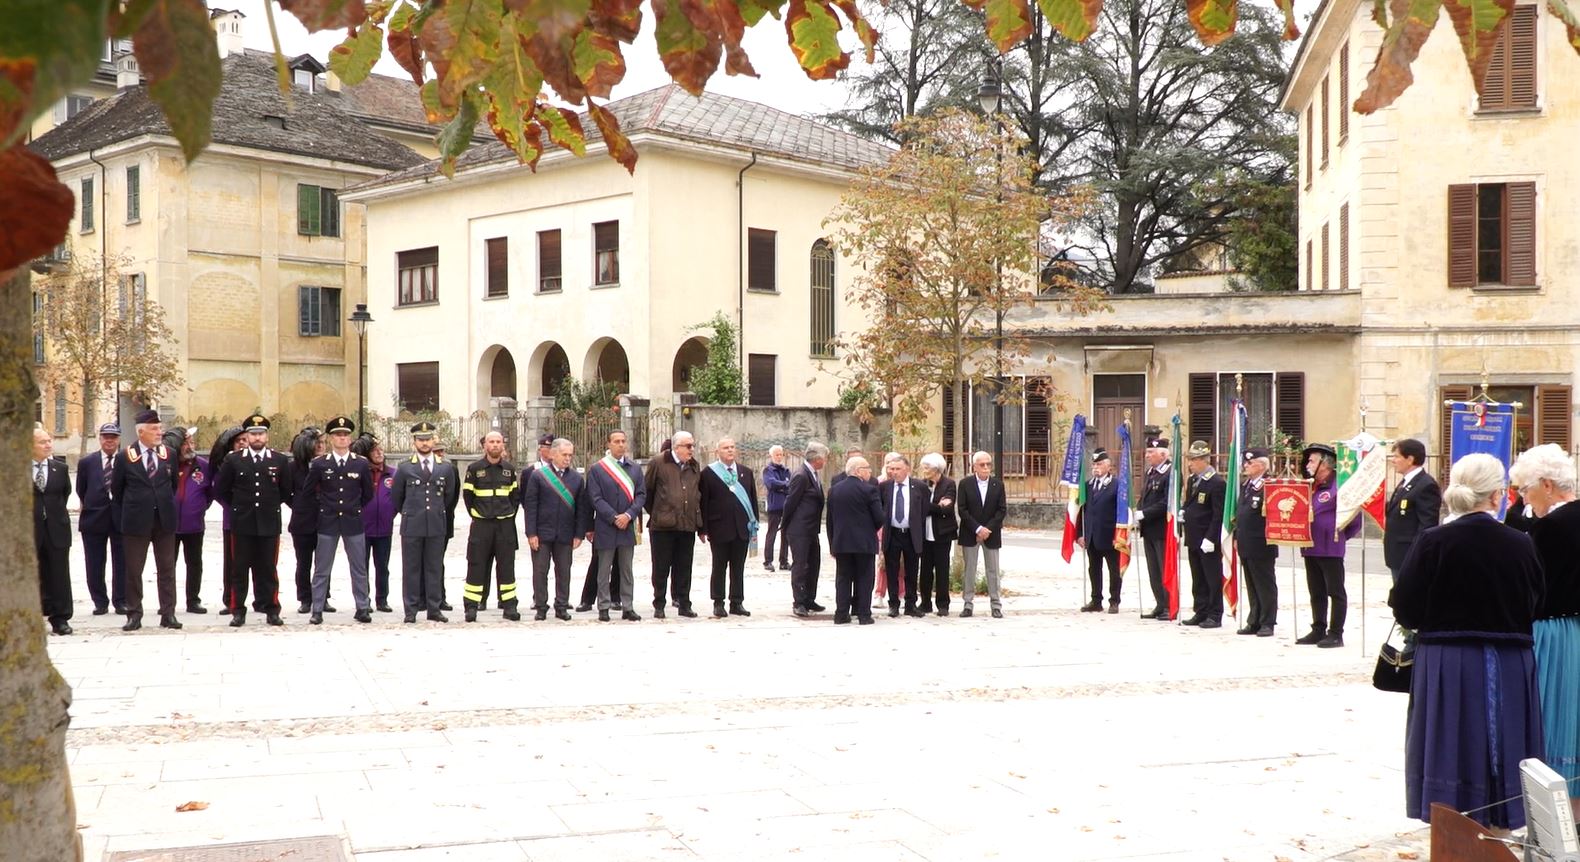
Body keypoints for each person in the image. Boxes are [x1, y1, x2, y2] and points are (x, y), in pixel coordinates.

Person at [1390, 452, 1545, 831]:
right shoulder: (1520, 543)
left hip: (1447, 657)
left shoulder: (1434, 541)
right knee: (1505, 736)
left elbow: (1405, 606)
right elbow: (1537, 600)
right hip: (1509, 658)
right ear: (1496, 496)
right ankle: (1501, 819)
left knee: (1450, 737)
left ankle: (1451, 820)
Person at [1510, 444, 1580, 788]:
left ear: (1547, 485)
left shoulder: (1551, 526)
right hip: (1575, 627)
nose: (1524, 499)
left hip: (1552, 630)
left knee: (1551, 718)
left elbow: (1532, 587)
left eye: (1526, 489)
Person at [213, 414, 293, 627]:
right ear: (246, 436)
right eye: (253, 434)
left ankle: (272, 609)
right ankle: (237, 610)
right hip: (242, 523)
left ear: (266, 436)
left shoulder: (279, 460)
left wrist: (270, 505)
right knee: (239, 569)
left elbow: (285, 491)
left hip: (268, 523)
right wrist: (237, 507)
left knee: (268, 568)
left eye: (261, 433)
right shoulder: (234, 459)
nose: (257, 437)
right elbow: (221, 489)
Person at [113, 409, 182, 631]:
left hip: (164, 520)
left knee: (167, 569)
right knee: (134, 570)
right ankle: (134, 614)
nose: (159, 432)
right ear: (141, 432)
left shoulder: (169, 454)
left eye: (160, 428)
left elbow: (173, 485)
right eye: (154, 429)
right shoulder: (125, 456)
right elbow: (118, 491)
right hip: (136, 521)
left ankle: (168, 613)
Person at [303, 416, 375, 626]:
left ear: (350, 438)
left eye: (345, 435)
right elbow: (308, 492)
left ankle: (362, 607)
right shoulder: (320, 463)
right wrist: (324, 507)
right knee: (322, 568)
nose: (342, 438)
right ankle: (317, 609)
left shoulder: (360, 463)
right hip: (328, 521)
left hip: (353, 521)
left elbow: (368, 493)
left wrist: (354, 507)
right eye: (337, 435)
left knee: (359, 567)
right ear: (331, 438)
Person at [390, 422, 458, 623]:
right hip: (412, 525)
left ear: (433, 440)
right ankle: (410, 610)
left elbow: (449, 496)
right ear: (414, 442)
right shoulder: (404, 468)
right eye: (421, 439)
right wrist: (410, 513)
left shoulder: (445, 467)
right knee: (411, 568)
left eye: (428, 439)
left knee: (434, 567)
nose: (425, 443)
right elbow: (397, 497)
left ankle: (434, 608)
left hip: (436, 524)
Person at [1298, 443, 1361, 648]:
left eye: (1312, 461)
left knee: (1335, 591)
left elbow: (1354, 520)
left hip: (1330, 547)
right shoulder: (1309, 486)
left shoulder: (1339, 486)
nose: (1308, 464)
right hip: (1310, 546)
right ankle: (1318, 628)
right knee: (1316, 591)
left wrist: (1337, 536)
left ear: (1325, 464)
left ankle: (1336, 633)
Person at [524, 438, 588, 621]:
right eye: (564, 454)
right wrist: (531, 533)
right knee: (540, 571)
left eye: (570, 455)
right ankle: (541, 607)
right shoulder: (538, 476)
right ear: (553, 454)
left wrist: (578, 534)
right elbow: (531, 506)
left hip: (566, 534)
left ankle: (561, 606)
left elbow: (581, 509)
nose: (567, 458)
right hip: (542, 533)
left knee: (564, 571)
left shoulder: (576, 478)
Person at [462, 430, 522, 622]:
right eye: (491, 442)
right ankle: (471, 606)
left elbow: (515, 497)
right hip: (482, 525)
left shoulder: (510, 470)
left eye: (498, 442)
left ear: (503, 445)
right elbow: (468, 497)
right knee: (476, 564)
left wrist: (508, 513)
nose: (495, 445)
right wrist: (478, 515)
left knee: (506, 566)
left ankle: (509, 605)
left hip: (505, 526)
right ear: (485, 446)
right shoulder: (474, 468)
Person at [587, 429, 646, 621]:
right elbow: (595, 498)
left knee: (626, 569)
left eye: (623, 441)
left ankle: (627, 606)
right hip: (606, 526)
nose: (621, 444)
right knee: (604, 569)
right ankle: (603, 606)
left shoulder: (635, 468)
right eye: (616, 441)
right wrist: (614, 517)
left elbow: (641, 495)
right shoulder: (597, 469)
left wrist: (628, 515)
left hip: (627, 526)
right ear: (608, 444)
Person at [644, 430, 703, 618]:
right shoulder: (659, 462)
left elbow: (696, 491)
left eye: (692, 445)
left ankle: (684, 603)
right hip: (663, 525)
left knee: (684, 566)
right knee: (661, 566)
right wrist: (660, 512)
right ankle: (659, 604)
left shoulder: (694, 465)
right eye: (688, 446)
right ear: (676, 447)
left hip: (687, 524)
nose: (691, 449)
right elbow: (648, 491)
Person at [699, 436, 758, 618]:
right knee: (719, 566)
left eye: (732, 447)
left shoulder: (745, 472)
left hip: (742, 528)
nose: (730, 450)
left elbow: (752, 500)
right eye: (726, 448)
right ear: (718, 452)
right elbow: (704, 503)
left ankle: (737, 602)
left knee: (738, 567)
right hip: (719, 528)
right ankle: (718, 602)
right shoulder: (709, 473)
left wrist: (753, 524)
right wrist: (703, 528)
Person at [827, 456, 885, 625]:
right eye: (867, 468)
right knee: (865, 578)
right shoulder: (869, 490)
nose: (870, 472)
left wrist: (833, 543)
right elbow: (879, 517)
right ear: (858, 470)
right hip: (864, 542)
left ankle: (841, 613)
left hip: (842, 542)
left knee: (843, 578)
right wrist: (869, 529)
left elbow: (830, 520)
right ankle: (863, 614)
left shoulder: (834, 490)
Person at [76, 422, 125, 615]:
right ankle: (100, 601)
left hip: (120, 518)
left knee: (122, 562)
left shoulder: (125, 460)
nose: (109, 440)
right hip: (94, 519)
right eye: (106, 437)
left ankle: (120, 600)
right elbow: (81, 489)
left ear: (118, 439)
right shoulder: (87, 462)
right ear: (100, 439)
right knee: (94, 563)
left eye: (113, 437)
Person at [1383, 438, 1442, 583]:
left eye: (1397, 456)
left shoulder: (1426, 485)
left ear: (1410, 459)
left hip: (1409, 555)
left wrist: (1417, 555)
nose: (1393, 461)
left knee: (1408, 601)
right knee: (1399, 598)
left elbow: (1427, 525)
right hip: (1397, 554)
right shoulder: (1406, 481)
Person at [1181, 441, 1225, 629]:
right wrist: (1184, 510)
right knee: (1198, 577)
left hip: (1208, 539)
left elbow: (1218, 514)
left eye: (1193, 460)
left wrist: (1211, 538)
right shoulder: (1193, 479)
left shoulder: (1216, 482)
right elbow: (1191, 502)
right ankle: (1201, 611)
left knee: (1212, 578)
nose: (1190, 463)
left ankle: (1215, 614)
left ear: (1203, 460)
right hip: (1193, 537)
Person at [1234, 448, 1278, 637]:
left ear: (1261, 465)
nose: (1246, 466)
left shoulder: (1269, 486)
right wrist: (1236, 537)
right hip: (1245, 542)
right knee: (1251, 584)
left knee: (1265, 584)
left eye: (1249, 463)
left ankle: (1267, 621)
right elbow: (1240, 514)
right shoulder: (1247, 485)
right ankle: (1254, 620)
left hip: (1262, 544)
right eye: (1246, 462)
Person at [33, 428, 73, 635]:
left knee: (59, 575)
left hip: (57, 530)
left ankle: (61, 619)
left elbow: (65, 494)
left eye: (49, 441)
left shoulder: (60, 468)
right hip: (31, 532)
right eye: (42, 442)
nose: (48, 445)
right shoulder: (15, 469)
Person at [958, 450, 1007, 619]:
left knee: (993, 570)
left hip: (991, 534)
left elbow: (1001, 510)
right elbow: (962, 510)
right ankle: (968, 604)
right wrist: (977, 529)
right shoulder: (965, 484)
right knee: (969, 569)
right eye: (982, 465)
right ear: (974, 467)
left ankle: (996, 605)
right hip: (970, 533)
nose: (986, 468)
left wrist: (987, 529)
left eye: (988, 464)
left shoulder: (998, 485)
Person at [879, 454, 929, 619]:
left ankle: (910, 604)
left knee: (912, 570)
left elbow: (924, 509)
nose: (894, 472)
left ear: (907, 469)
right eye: (891, 469)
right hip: (892, 534)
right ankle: (893, 604)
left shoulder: (919, 486)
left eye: (898, 469)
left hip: (911, 534)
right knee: (892, 571)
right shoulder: (885, 487)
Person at [784, 441, 829, 617]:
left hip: (811, 529)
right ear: (817, 459)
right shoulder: (801, 475)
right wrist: (786, 525)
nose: (825, 461)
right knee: (800, 566)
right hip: (799, 529)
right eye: (824, 458)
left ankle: (810, 598)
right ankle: (799, 601)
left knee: (814, 564)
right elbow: (791, 502)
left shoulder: (814, 474)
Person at [169, 427, 211, 615]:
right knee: (168, 565)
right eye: (185, 443)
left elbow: (209, 493)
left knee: (194, 564)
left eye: (191, 442)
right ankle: (168, 602)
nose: (189, 446)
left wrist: (199, 508)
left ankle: (193, 600)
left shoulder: (202, 465)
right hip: (169, 526)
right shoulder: (167, 465)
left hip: (194, 525)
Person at [354, 434, 396, 613]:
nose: (379, 453)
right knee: (361, 567)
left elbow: (398, 498)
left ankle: (382, 600)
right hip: (362, 528)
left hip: (384, 528)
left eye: (381, 449)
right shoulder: (360, 472)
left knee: (383, 567)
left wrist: (391, 512)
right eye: (374, 450)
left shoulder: (393, 473)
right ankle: (364, 600)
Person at [286, 428, 326, 615]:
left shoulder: (328, 464)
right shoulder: (294, 467)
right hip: (302, 522)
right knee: (303, 563)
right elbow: (286, 492)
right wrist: (299, 504)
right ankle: (305, 598)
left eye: (322, 443)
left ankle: (323, 597)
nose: (320, 446)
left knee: (323, 563)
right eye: (317, 443)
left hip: (325, 519)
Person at [1076, 449, 1122, 614]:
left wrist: (1119, 535)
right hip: (1092, 536)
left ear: (1108, 466)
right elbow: (1082, 511)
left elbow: (1121, 512)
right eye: (1094, 464)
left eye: (1100, 464)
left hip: (1110, 536)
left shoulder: (1117, 485)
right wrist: (1080, 534)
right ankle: (1096, 600)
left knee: (1114, 570)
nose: (1096, 467)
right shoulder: (1087, 486)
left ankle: (1114, 601)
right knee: (1094, 569)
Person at [209, 427, 247, 614]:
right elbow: (218, 489)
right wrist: (233, 505)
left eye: (244, 439)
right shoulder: (225, 464)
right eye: (238, 440)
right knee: (232, 563)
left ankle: (262, 600)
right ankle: (230, 599)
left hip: (256, 519)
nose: (242, 442)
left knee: (259, 562)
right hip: (232, 519)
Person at [1136, 436, 1173, 620]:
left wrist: (1145, 513)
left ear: (1163, 454)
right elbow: (1144, 497)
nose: (1147, 455)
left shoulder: (1170, 473)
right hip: (1149, 529)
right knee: (1153, 569)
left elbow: (1167, 502)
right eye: (1148, 452)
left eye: (1151, 452)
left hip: (1162, 529)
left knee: (1164, 567)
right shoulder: (1151, 472)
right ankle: (1160, 603)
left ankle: (1169, 605)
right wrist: (1137, 510)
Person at [918, 452, 956, 617]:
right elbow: (919, 506)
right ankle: (925, 603)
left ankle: (943, 604)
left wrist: (929, 506)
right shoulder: (922, 484)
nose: (924, 470)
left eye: (927, 467)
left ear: (936, 469)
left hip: (942, 534)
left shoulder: (949, 484)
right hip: (925, 534)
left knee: (942, 570)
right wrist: (936, 506)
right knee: (925, 571)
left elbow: (946, 509)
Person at [431, 438, 462, 612]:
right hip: (421, 522)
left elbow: (453, 496)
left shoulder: (450, 469)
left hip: (443, 521)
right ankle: (422, 597)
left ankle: (439, 597)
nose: (440, 455)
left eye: (442, 451)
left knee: (437, 562)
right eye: (437, 452)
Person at [761, 445, 791, 572]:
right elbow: (771, 484)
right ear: (771, 456)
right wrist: (785, 484)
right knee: (772, 533)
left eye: (781, 454)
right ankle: (768, 561)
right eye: (776, 454)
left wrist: (782, 486)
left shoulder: (787, 470)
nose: (779, 457)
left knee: (786, 535)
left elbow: (792, 484)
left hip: (787, 505)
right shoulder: (768, 470)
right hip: (774, 506)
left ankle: (783, 561)